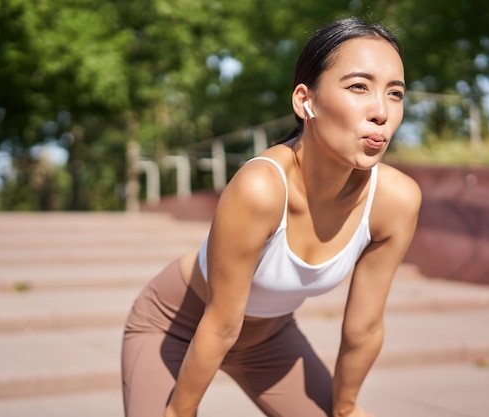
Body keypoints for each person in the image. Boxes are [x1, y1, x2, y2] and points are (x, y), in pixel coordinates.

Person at [121, 16, 421, 417]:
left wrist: (346, 409)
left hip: (270, 339)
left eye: (395, 93)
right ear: (305, 100)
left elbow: (363, 328)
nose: (381, 111)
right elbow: (221, 324)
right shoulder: (261, 187)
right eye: (358, 87)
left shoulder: (395, 200)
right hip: (177, 325)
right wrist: (179, 412)